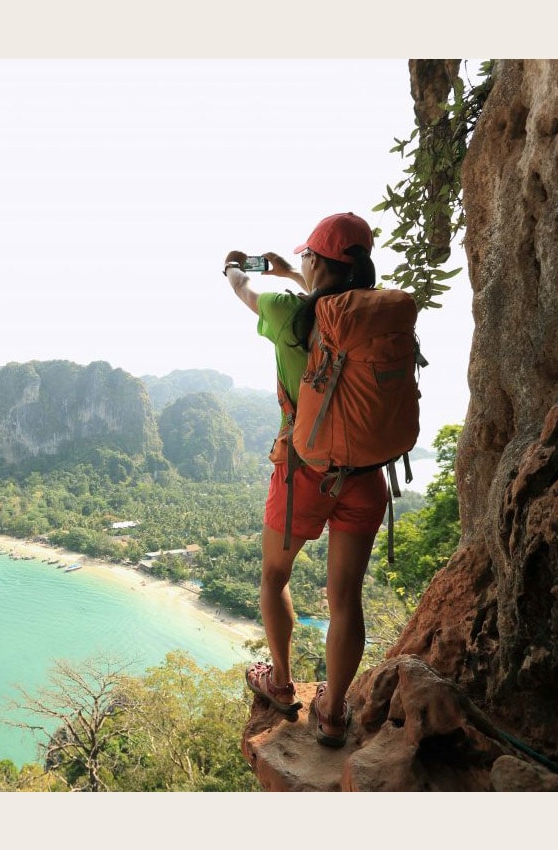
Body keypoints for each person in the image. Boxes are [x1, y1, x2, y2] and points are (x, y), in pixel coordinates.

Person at [224, 212, 386, 748]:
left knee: (274, 575)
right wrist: (298, 273)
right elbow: (338, 300)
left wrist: (239, 269)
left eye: (309, 258)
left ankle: (281, 681)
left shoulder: (288, 313)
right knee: (346, 598)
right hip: (364, 477)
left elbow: (242, 288)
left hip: (302, 477)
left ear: (317, 260)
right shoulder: (379, 316)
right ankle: (335, 713)